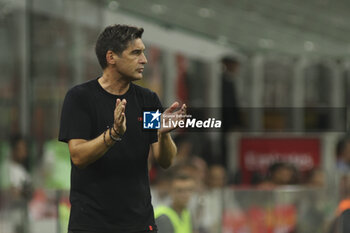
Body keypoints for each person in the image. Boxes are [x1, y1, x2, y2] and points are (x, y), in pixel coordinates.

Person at [59, 24, 186, 233]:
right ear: (111, 57)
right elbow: (78, 156)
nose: (144, 60)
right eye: (136, 53)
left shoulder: (148, 100)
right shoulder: (80, 98)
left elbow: (165, 161)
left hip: (139, 224)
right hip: (91, 225)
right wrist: (113, 134)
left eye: (143, 52)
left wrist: (163, 136)